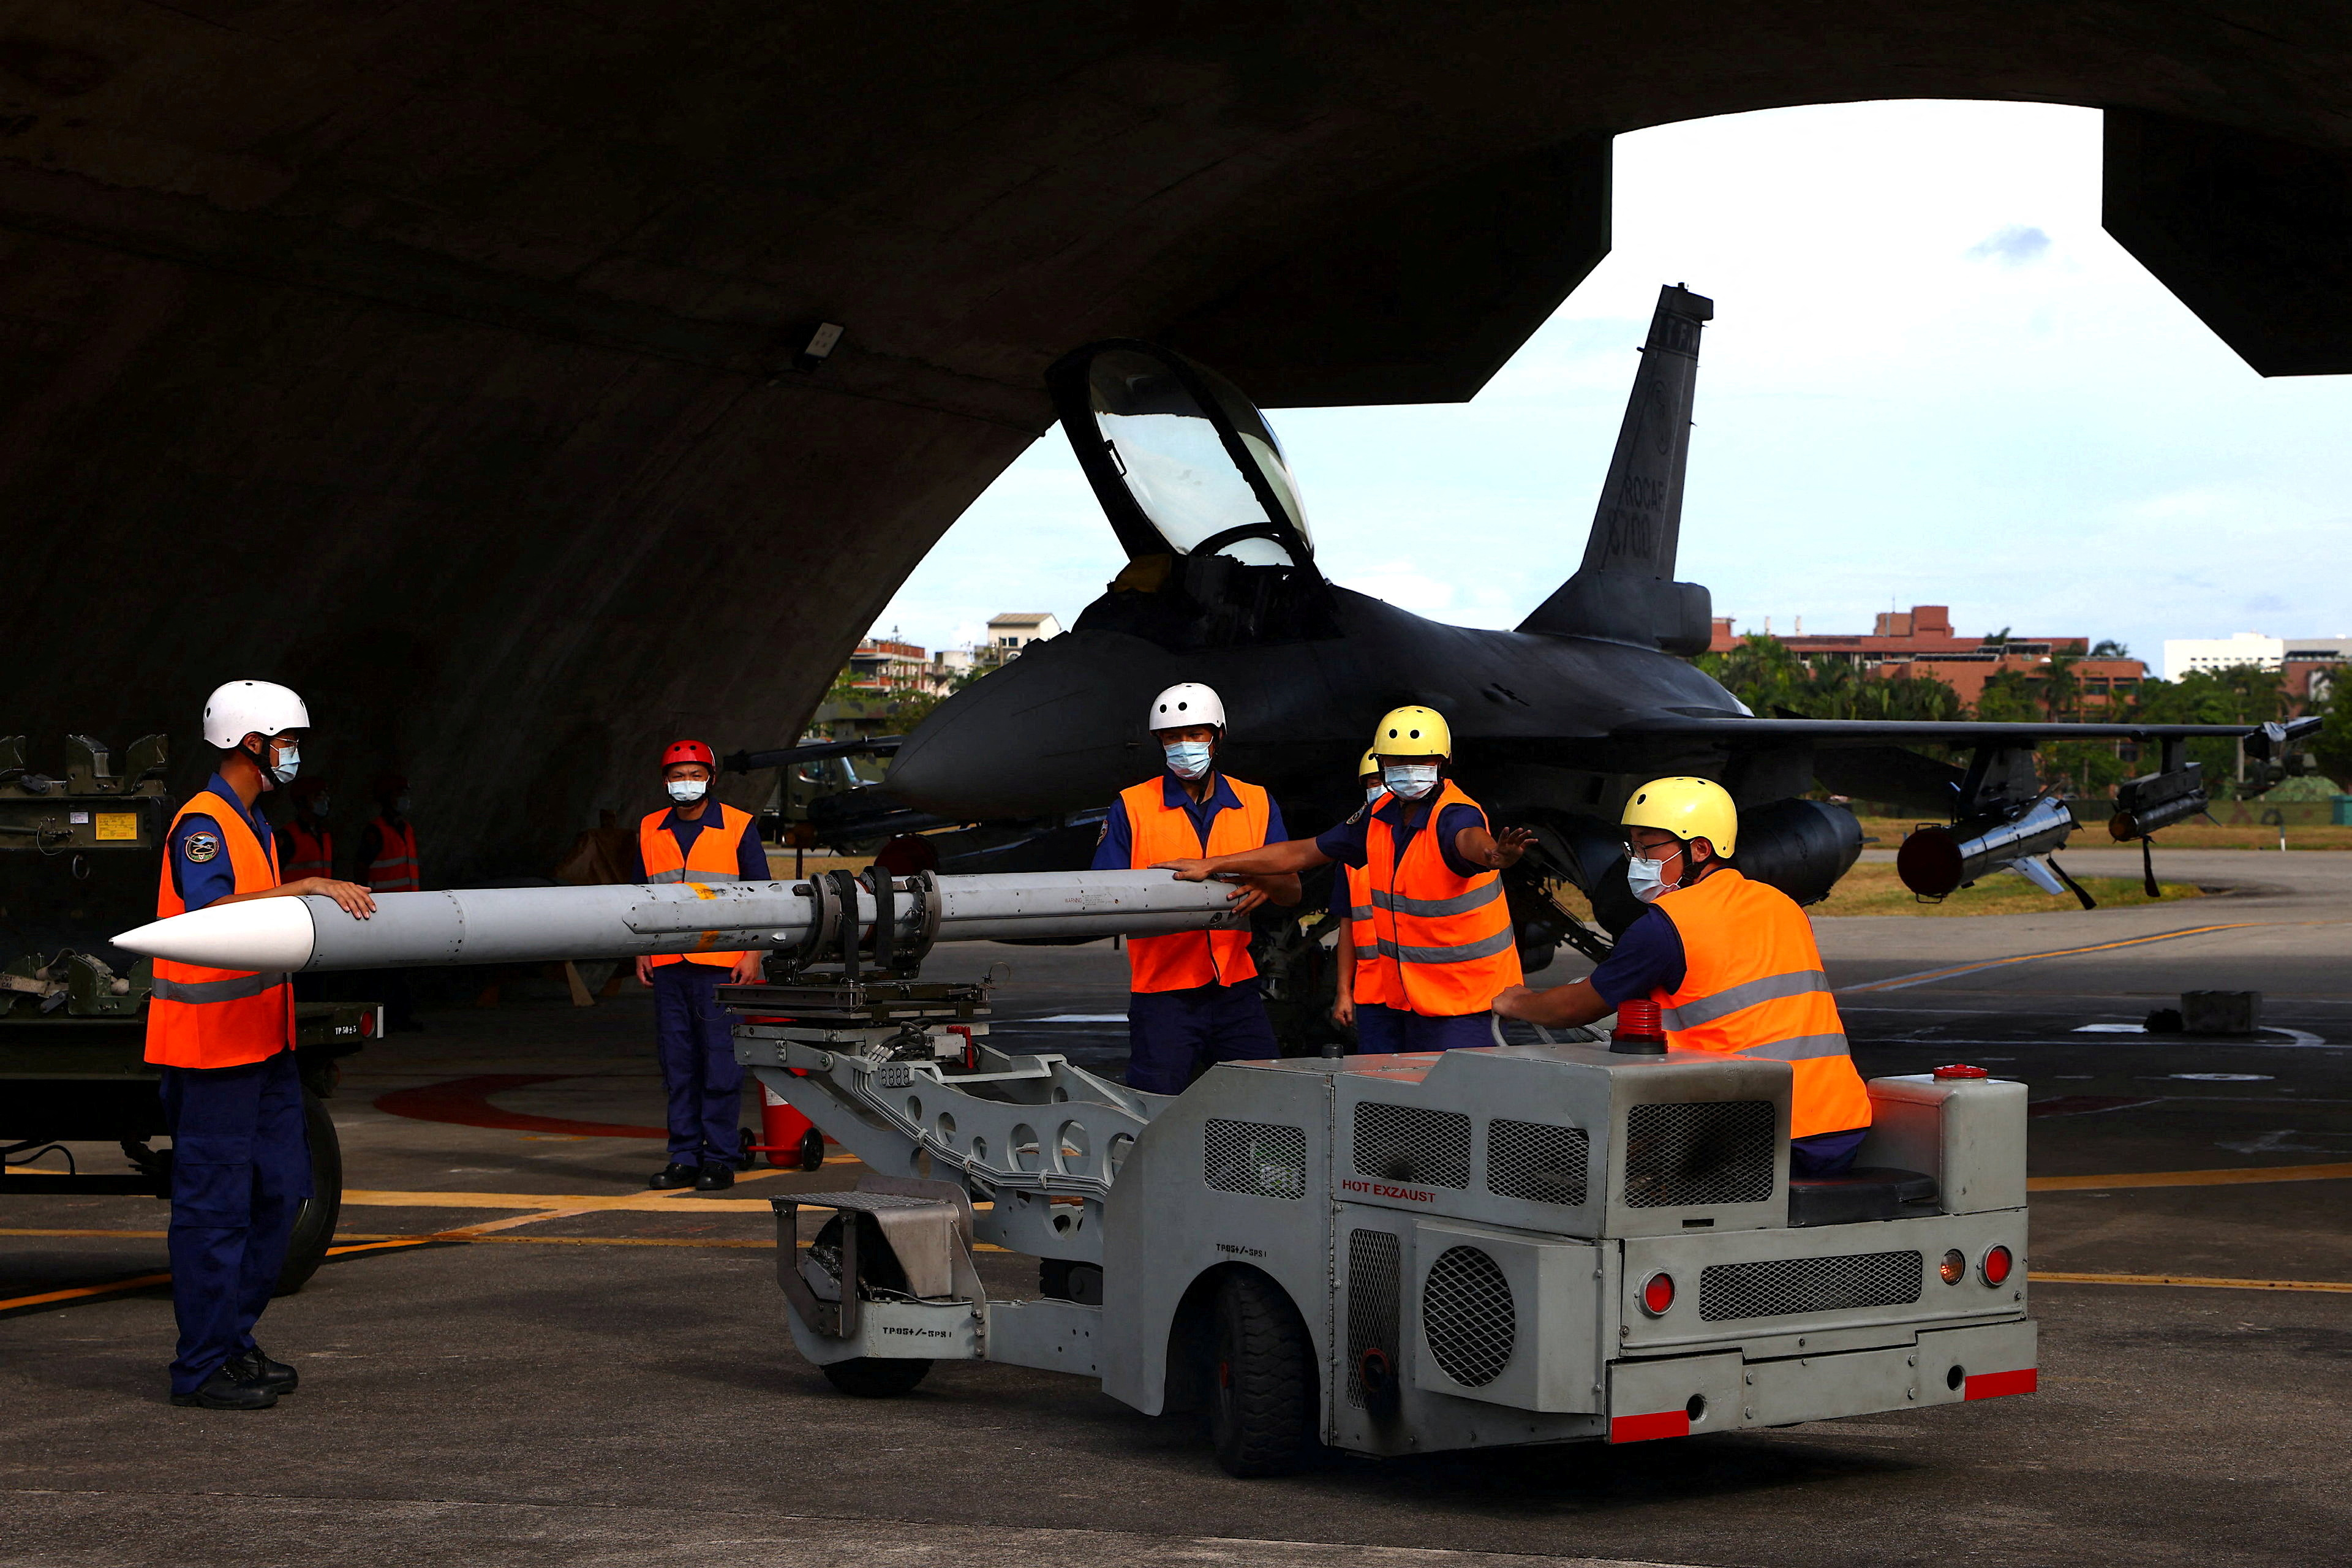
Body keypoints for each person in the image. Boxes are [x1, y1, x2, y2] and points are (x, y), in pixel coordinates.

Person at [149, 680, 375, 1410]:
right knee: (215, 1210)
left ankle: (233, 1339)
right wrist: (304, 887)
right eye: (288, 741)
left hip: (262, 1048)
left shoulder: (255, 825)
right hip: (211, 1053)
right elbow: (213, 911)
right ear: (253, 743)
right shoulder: (204, 824)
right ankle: (203, 1364)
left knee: (282, 1192)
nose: (295, 755)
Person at [1491, 776, 1873, 1174]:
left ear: (1701, 848)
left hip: (1759, 1139)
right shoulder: (1782, 906)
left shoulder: (1666, 925)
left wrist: (1517, 1001)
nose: (1637, 861)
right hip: (1839, 1126)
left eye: (1648, 847)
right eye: (1633, 848)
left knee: (1589, 1165)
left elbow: (1574, 1008)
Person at [1159, 706, 1531, 1054]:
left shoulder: (1454, 815)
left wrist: (1495, 856)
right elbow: (1303, 852)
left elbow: (1471, 841)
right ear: (1382, 763)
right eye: (1397, 761)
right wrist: (1213, 864)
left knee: (1455, 1110)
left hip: (1467, 1001)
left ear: (1444, 763)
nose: (1408, 769)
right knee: (1395, 1106)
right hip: (1402, 999)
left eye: (1421, 761)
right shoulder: (1379, 816)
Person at [1091, 682, 1300, 1093]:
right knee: (1155, 1109)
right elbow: (1106, 896)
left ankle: (1249, 1162)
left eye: (1195, 735)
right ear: (1160, 743)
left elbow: (1291, 892)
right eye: (1173, 737)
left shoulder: (1256, 802)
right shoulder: (1132, 807)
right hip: (1163, 993)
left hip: (1236, 988)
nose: (1184, 745)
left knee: (1267, 1098)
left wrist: (1265, 879)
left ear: (1217, 738)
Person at [631, 739, 766, 1189]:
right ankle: (684, 1156)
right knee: (678, 1064)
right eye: (676, 775)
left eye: (694, 775)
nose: (685, 784)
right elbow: (638, 896)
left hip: (721, 964)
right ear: (664, 781)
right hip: (670, 962)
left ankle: (721, 1157)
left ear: (710, 778)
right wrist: (643, 950)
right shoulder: (650, 827)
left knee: (721, 1064)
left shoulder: (738, 826)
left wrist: (752, 955)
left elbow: (764, 899)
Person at [355, 774, 424, 1031]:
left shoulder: (405, 829)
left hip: (407, 911)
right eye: (399, 794)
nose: (404, 800)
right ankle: (381, 1021)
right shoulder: (376, 831)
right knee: (380, 972)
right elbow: (362, 867)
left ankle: (400, 1016)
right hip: (382, 912)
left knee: (401, 969)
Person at [1328, 750, 1381, 1038]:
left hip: (1427, 994)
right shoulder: (1352, 856)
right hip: (1374, 995)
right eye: (1372, 782)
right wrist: (1344, 992)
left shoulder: (1429, 842)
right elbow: (1348, 928)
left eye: (1384, 780)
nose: (1380, 789)